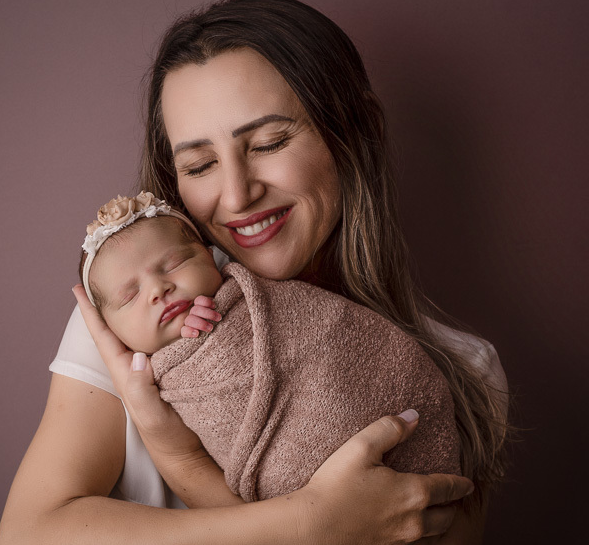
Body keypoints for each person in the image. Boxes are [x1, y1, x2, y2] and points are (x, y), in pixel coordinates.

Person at [0, 0, 509, 545]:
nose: (235, 196)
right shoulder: (142, 317)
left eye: (267, 143)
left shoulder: (462, 371)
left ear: (353, 134)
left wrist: (194, 476)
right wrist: (309, 528)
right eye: (200, 165)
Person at [79, 191, 461, 502]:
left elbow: (326, 342)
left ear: (211, 257)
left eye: (175, 263)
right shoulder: (124, 368)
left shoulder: (248, 299)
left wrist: (213, 327)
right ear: (109, 329)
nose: (158, 289)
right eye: (130, 297)